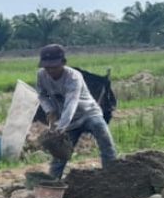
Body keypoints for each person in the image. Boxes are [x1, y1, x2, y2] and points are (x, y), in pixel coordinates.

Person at [36, 44, 117, 178]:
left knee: (105, 142)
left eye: (54, 67)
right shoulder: (42, 75)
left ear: (63, 63)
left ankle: (112, 174)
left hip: (88, 113)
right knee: (60, 154)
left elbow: (71, 103)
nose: (50, 70)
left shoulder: (73, 77)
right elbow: (42, 95)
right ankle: (53, 181)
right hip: (68, 119)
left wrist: (60, 128)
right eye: (47, 67)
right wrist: (50, 110)